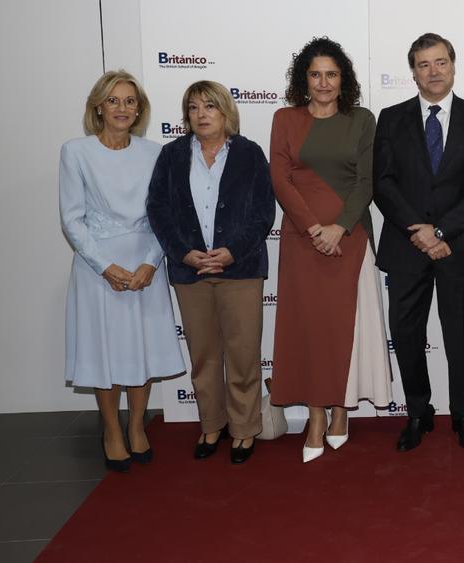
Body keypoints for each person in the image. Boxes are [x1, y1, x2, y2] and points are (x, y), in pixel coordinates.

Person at [269, 37, 392, 463]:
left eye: (332, 74)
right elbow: (280, 179)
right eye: (316, 74)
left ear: (344, 80)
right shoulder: (285, 118)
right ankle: (316, 416)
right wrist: (313, 229)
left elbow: (367, 180)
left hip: (350, 237)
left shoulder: (362, 119)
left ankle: (341, 410)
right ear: (304, 79)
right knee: (309, 329)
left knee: (345, 329)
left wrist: (338, 227)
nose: (323, 82)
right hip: (303, 242)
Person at [374, 33, 464, 452]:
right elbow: (383, 183)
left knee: (461, 336)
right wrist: (421, 232)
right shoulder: (390, 119)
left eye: (440, 62)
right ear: (413, 72)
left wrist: (441, 232)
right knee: (407, 335)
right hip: (406, 248)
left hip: (461, 248)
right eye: (424, 64)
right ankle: (417, 412)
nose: (433, 71)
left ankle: (463, 415)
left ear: (453, 65)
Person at [59, 70, 185, 472]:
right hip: (98, 268)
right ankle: (111, 429)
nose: (122, 108)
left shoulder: (154, 153)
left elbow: (162, 215)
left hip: (145, 260)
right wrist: (105, 266)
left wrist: (150, 262)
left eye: (130, 101)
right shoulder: (75, 152)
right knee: (105, 350)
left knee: (141, 348)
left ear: (139, 108)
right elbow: (72, 219)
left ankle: (137, 426)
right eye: (114, 100)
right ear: (98, 105)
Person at [147, 81, 275, 464]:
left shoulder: (249, 154)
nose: (201, 114)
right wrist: (184, 254)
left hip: (241, 270)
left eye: (210, 107)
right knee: (204, 356)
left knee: (243, 354)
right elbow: (158, 209)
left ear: (226, 112)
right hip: (191, 273)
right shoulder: (171, 156)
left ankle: (244, 429)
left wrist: (232, 253)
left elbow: (263, 212)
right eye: (193, 107)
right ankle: (212, 425)